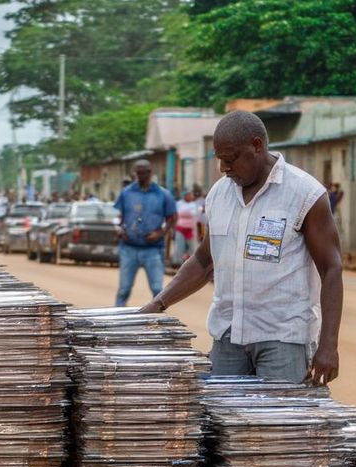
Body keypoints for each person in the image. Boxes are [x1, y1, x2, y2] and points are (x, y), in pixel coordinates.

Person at [141, 111, 343, 385]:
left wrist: (328, 345)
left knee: (276, 424)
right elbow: (203, 261)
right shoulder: (219, 195)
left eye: (230, 158)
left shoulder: (305, 194)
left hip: (282, 341)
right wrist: (158, 303)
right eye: (219, 159)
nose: (223, 168)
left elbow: (331, 268)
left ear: (257, 146)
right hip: (228, 339)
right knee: (224, 425)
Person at [114, 159, 176, 306]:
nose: (141, 176)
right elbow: (117, 215)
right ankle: (118, 318)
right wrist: (118, 228)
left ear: (150, 173)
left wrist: (161, 233)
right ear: (135, 173)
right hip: (128, 247)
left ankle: (158, 320)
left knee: (157, 289)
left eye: (144, 173)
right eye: (138, 173)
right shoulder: (126, 193)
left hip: (153, 249)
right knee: (124, 289)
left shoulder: (163, 194)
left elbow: (172, 218)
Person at [171, 191, 199, 267]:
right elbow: (177, 213)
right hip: (180, 228)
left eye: (191, 195)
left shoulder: (194, 204)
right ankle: (177, 263)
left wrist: (184, 213)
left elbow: (194, 214)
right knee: (179, 246)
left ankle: (192, 264)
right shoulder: (179, 203)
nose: (191, 196)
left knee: (192, 247)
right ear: (185, 196)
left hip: (191, 229)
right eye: (189, 195)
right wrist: (187, 213)